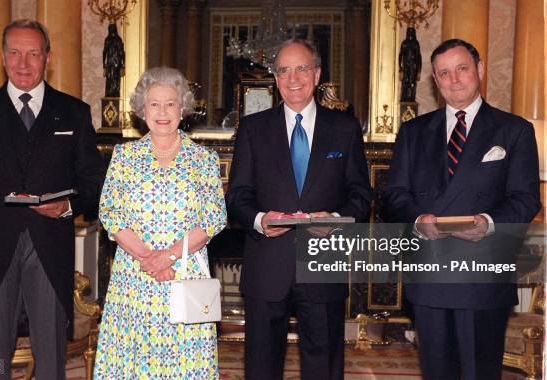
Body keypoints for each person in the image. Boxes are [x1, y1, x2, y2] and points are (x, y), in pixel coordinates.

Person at [0, 19, 104, 379]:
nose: (23, 63)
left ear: (47, 58)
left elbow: (95, 181)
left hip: (49, 250)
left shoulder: (74, 112)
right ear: (2, 58)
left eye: (33, 53)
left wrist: (67, 206)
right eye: (15, 53)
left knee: (51, 362)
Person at [383, 39, 541, 379]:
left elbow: (526, 198)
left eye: (462, 69)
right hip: (430, 274)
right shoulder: (413, 132)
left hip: (482, 274)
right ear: (435, 81)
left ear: (479, 70)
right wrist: (416, 218)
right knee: (437, 372)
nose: (454, 80)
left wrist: (487, 222)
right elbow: (393, 195)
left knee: (478, 372)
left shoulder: (514, 130)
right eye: (444, 73)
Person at [226, 39, 372, 380]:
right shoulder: (253, 128)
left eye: (302, 68)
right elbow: (237, 196)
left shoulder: (345, 129)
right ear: (275, 78)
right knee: (261, 367)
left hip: (323, 264)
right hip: (267, 267)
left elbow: (361, 194)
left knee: (324, 365)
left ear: (317, 74)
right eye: (284, 70)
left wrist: (336, 220)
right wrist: (261, 220)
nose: (293, 78)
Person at [94, 66, 227, 378]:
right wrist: (147, 259)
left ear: (183, 109)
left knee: (184, 364)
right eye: (154, 104)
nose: (163, 112)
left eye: (170, 103)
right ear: (143, 110)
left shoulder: (203, 159)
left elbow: (213, 217)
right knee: (134, 363)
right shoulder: (124, 157)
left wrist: (167, 256)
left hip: (185, 275)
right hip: (134, 280)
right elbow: (110, 212)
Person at [103, 23, 125, 98]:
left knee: (115, 80)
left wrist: (123, 65)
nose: (111, 30)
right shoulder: (108, 39)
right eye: (110, 28)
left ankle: (115, 93)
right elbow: (104, 52)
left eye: (112, 29)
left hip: (116, 63)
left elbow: (122, 52)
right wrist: (104, 65)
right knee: (110, 80)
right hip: (110, 64)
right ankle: (110, 94)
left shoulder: (118, 39)